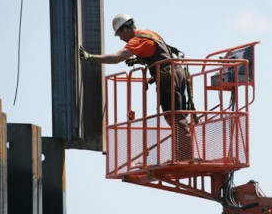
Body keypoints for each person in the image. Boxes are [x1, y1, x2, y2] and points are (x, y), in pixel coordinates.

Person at [79, 13, 192, 161]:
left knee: (174, 117)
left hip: (168, 78)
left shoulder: (137, 40)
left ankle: (184, 156)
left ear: (125, 29)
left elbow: (117, 57)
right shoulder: (149, 33)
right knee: (176, 116)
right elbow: (157, 53)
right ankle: (182, 155)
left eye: (119, 34)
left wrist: (91, 57)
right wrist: (140, 59)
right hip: (176, 74)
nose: (120, 38)